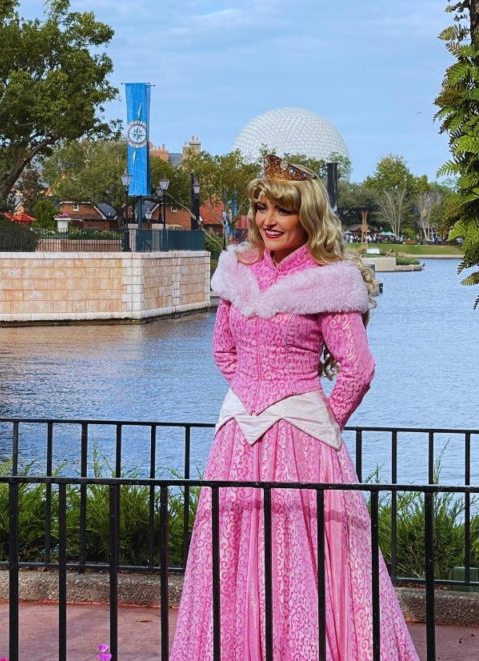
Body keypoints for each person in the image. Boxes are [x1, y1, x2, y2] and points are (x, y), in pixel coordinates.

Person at [171, 155, 418, 660]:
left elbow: (358, 367)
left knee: (300, 558)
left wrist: (321, 421)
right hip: (238, 434)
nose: (268, 221)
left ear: (306, 216)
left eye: (281, 211)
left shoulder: (329, 280)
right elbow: (223, 351)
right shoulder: (236, 273)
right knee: (234, 554)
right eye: (262, 209)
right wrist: (250, 393)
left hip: (301, 440)